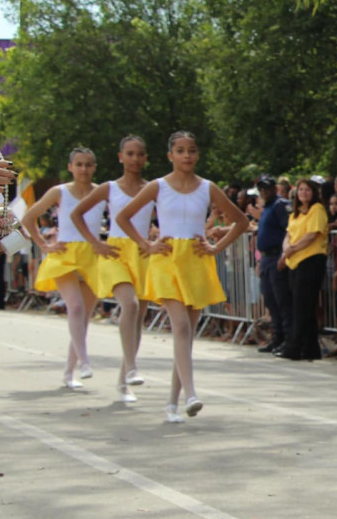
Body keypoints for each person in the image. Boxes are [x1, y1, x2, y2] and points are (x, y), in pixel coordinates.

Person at [116, 131, 249, 422]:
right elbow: (123, 217)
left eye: (191, 150)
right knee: (180, 327)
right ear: (170, 156)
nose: (186, 155)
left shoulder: (208, 188)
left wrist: (216, 247)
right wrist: (146, 245)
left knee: (186, 336)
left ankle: (172, 404)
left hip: (197, 260)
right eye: (180, 150)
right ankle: (191, 393)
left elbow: (241, 221)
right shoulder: (158, 186)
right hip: (166, 259)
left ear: (197, 154)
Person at [70, 135, 153, 402]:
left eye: (140, 154)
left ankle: (123, 383)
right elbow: (77, 214)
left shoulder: (155, 188)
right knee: (128, 305)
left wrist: (159, 239)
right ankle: (131, 367)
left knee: (139, 316)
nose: (135, 159)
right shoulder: (109, 187)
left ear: (146, 158)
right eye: (129, 154)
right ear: (120, 157)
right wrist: (95, 243)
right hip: (116, 252)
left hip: (142, 253)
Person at [22, 148, 104, 389]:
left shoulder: (101, 192)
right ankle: (85, 361)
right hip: (65, 254)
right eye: (79, 164)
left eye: (88, 165)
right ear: (70, 167)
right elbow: (29, 218)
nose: (83, 169)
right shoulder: (59, 192)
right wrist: (44, 245)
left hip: (91, 255)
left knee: (85, 316)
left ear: (94, 167)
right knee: (75, 308)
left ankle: (69, 373)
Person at [277, 178, 329, 361]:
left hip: (311, 260)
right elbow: (288, 234)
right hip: (295, 261)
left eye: (307, 190)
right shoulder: (296, 214)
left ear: (314, 192)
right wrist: (286, 250)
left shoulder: (317, 210)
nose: (303, 193)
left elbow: (312, 234)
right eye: (301, 190)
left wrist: (293, 248)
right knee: (300, 306)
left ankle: (295, 346)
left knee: (303, 306)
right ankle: (310, 348)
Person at [254, 175, 292, 354]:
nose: (264, 192)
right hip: (266, 257)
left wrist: (284, 255)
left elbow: (288, 230)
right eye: (261, 189)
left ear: (274, 189)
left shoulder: (280, 205)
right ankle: (277, 337)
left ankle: (286, 338)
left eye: (267, 188)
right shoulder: (267, 207)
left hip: (277, 255)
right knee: (269, 298)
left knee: (281, 299)